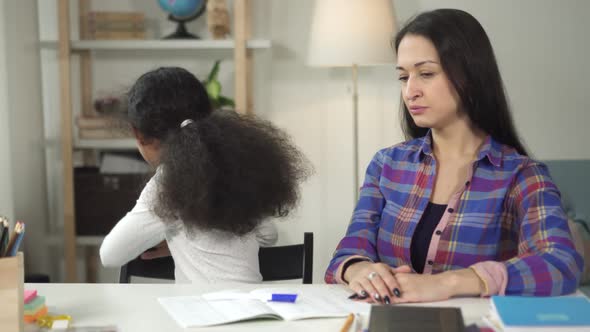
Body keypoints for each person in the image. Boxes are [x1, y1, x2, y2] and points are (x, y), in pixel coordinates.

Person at [325, 9, 583, 303]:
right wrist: (358, 269)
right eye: (403, 77)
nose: (410, 91)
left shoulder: (521, 175)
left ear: (469, 76)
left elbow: (562, 264)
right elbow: (348, 252)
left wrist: (449, 283)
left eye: (426, 74)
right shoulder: (387, 165)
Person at [100, 67, 310, 283]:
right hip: (252, 304)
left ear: (139, 134)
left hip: (201, 311)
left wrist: (174, 237)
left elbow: (110, 255)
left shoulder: (167, 181)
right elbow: (269, 235)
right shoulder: (232, 164)